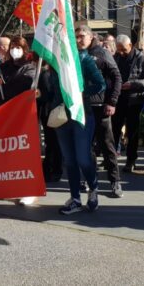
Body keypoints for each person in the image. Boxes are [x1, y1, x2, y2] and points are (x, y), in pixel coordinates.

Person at [43, 47, 106, 215]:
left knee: (83, 159)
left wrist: (81, 93)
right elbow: (52, 92)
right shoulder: (54, 62)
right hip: (61, 117)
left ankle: (93, 188)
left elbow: (101, 84)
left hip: (81, 115)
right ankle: (75, 199)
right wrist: (41, 94)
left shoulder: (84, 60)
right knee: (69, 160)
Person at [78, 25, 123, 198]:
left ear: (91, 37)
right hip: (82, 107)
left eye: (82, 36)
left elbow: (116, 76)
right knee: (86, 147)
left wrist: (111, 102)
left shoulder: (101, 53)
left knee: (107, 145)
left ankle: (115, 181)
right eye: (77, 36)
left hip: (100, 107)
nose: (79, 39)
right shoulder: (77, 54)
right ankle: (89, 180)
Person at [112, 34, 144, 172]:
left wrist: (133, 84)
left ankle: (131, 159)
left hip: (134, 100)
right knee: (114, 130)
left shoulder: (142, 58)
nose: (121, 52)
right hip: (118, 99)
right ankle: (112, 158)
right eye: (119, 49)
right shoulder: (116, 57)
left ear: (130, 45)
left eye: (123, 49)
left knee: (132, 132)